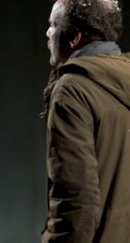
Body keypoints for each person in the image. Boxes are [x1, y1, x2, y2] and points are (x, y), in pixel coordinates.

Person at [41, 0, 130, 242]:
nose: (48, 33)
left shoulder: (72, 91)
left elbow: (76, 204)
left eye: (53, 25)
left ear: (74, 38)